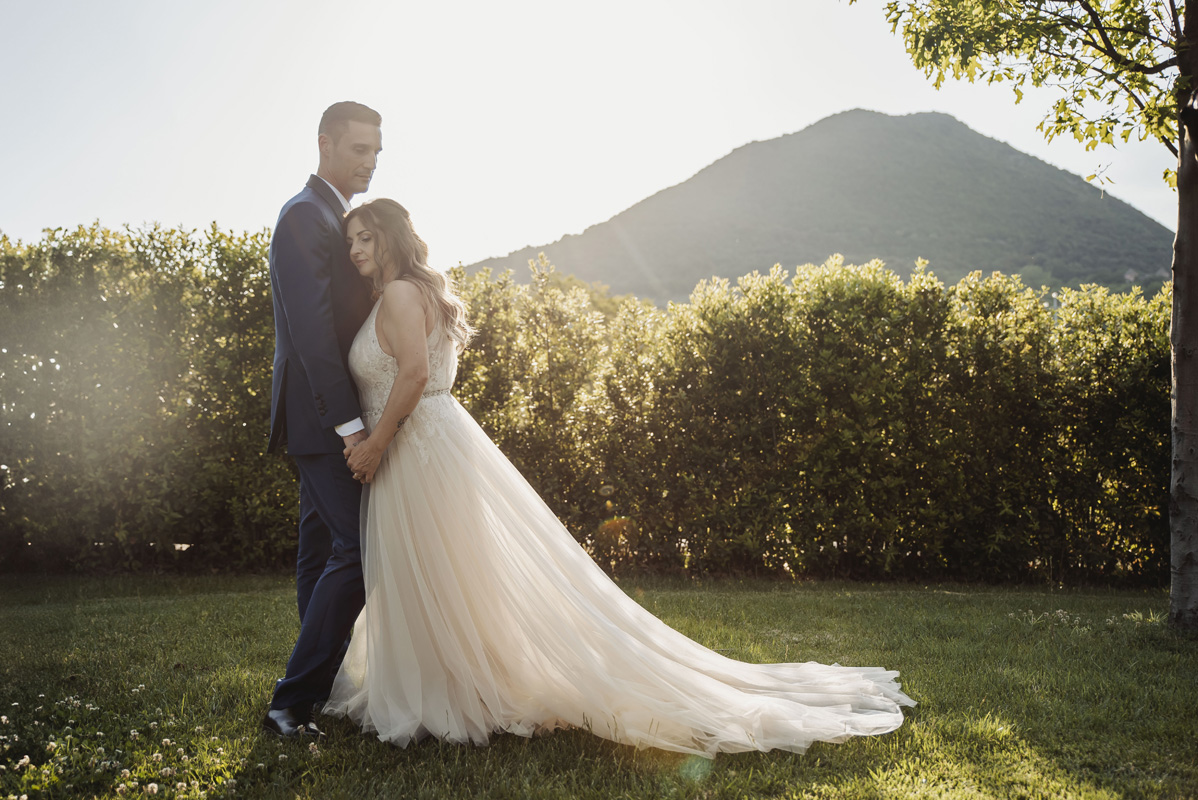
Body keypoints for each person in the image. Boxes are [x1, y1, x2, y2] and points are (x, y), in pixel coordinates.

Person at [323, 198, 915, 757]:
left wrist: (374, 445)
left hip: (413, 448)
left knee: (435, 569)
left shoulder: (401, 292)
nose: (355, 249)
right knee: (440, 574)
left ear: (392, 237)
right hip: (424, 444)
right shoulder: (408, 291)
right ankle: (455, 684)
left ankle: (448, 694)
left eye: (365, 237)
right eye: (350, 240)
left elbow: (414, 374)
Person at [263, 101, 383, 739]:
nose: (370, 163)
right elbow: (311, 335)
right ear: (325, 144)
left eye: (376, 152)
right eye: (360, 149)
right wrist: (348, 425)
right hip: (321, 417)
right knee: (359, 550)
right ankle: (291, 702)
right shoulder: (305, 216)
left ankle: (321, 686)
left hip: (326, 415)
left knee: (319, 554)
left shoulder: (338, 219)